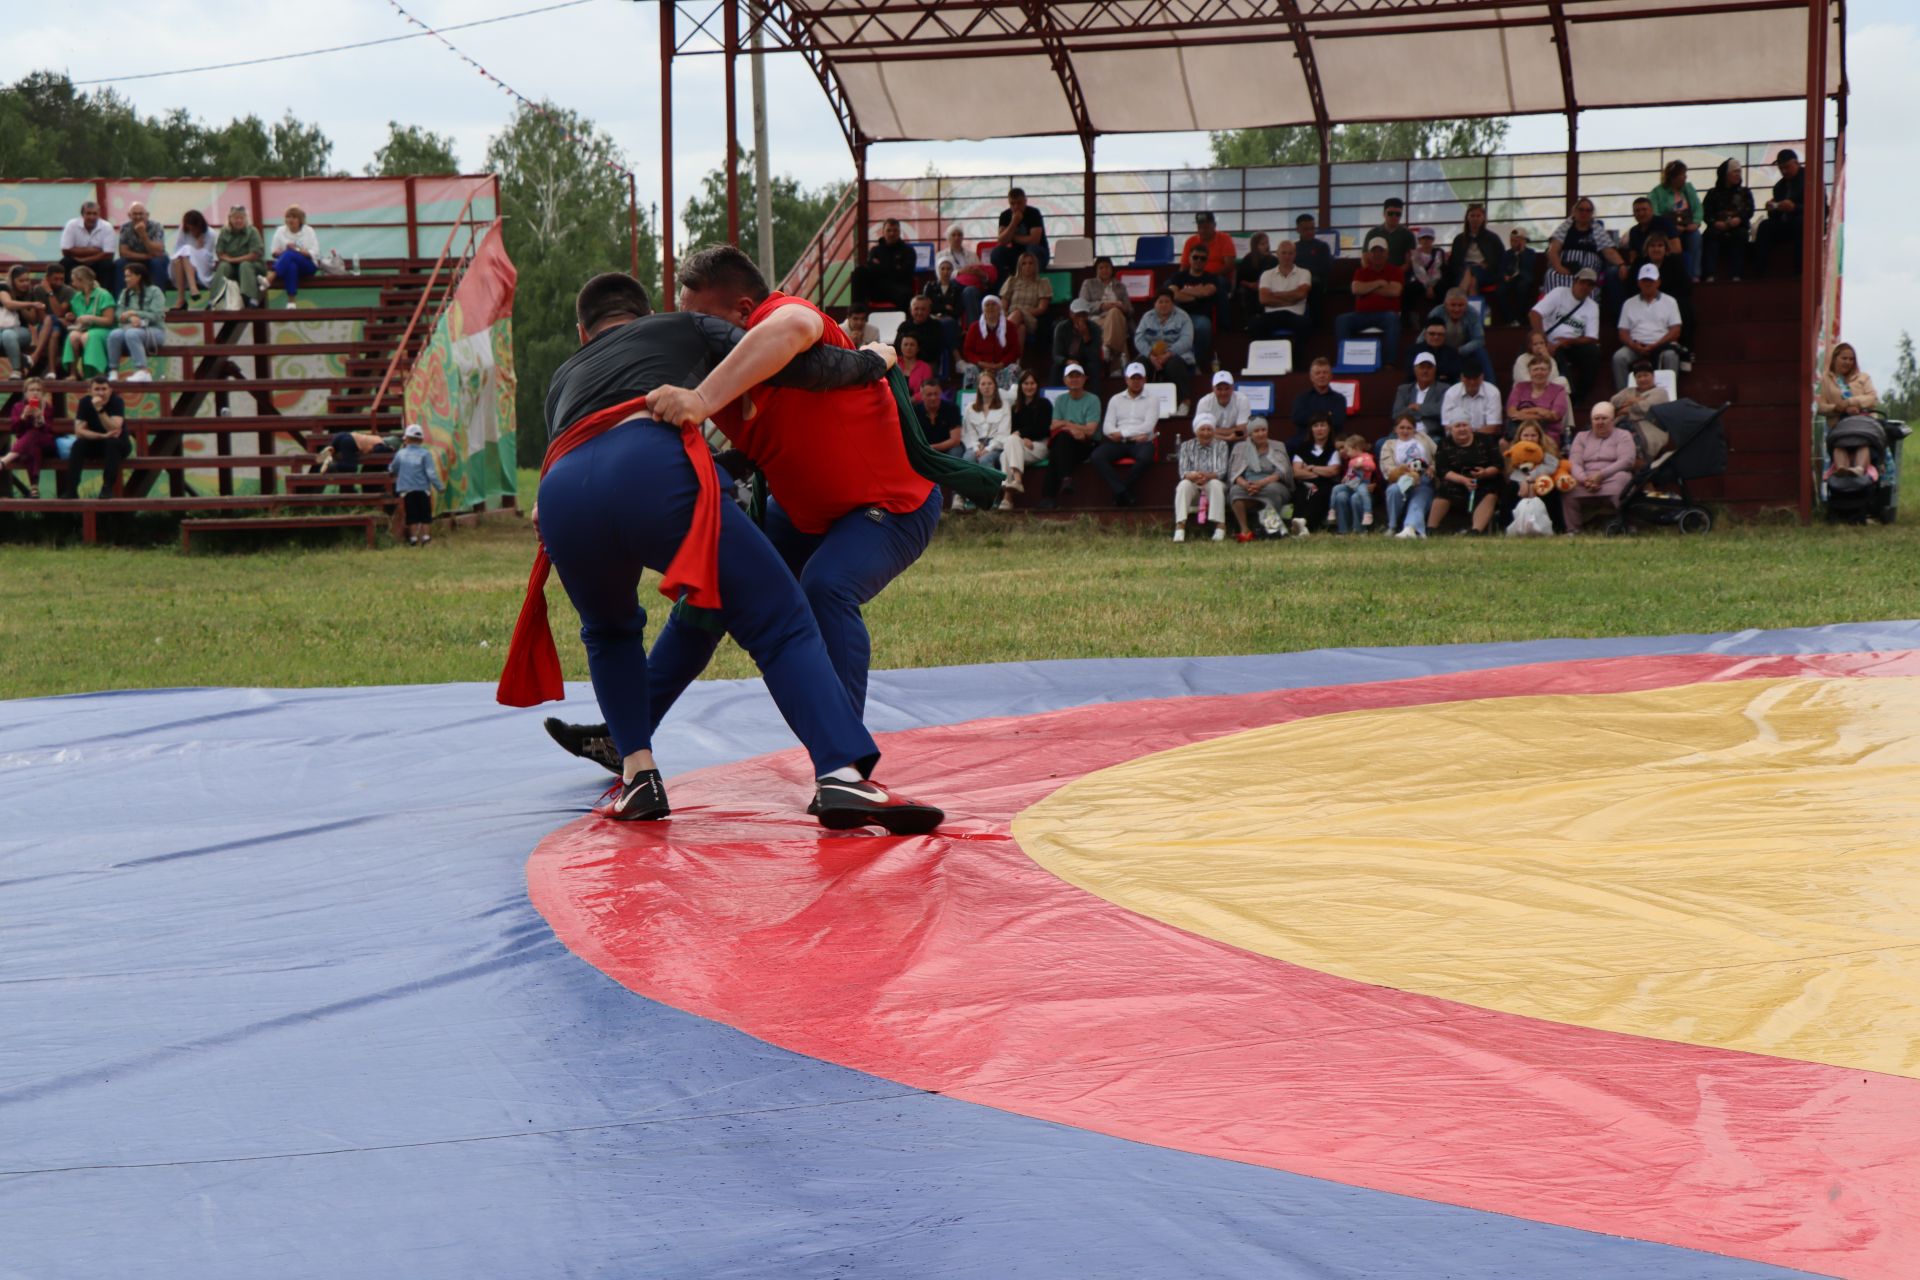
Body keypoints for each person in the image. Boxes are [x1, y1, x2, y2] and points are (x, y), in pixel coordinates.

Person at [514, 266, 943, 832]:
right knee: (781, 618)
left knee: (611, 631)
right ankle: (841, 774)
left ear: (581, 332)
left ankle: (638, 774)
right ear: (649, 317)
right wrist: (875, 359)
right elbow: (807, 366)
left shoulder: (565, 374)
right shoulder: (684, 327)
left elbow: (575, 449)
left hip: (562, 495)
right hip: (652, 470)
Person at [1530, 267, 1603, 402]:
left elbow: (1592, 337)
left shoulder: (1592, 306)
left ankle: (1579, 398)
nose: (1585, 287)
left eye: (1590, 285)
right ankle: (1564, 396)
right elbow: (1535, 314)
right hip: (1548, 339)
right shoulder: (1559, 293)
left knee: (1593, 353)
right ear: (1575, 281)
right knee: (1558, 356)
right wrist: (1544, 342)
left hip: (1571, 343)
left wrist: (1568, 341)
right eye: (1583, 282)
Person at [1563, 402, 1636, 533]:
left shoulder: (1623, 435)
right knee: (1568, 489)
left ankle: (1625, 525)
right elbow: (1574, 462)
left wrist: (1601, 475)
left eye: (1604, 418)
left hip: (1613, 476)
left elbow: (1627, 461)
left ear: (1612, 420)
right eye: (1596, 419)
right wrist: (1584, 479)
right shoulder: (1581, 437)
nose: (1600, 422)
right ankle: (1573, 530)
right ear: (1591, 421)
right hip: (1585, 479)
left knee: (1622, 481)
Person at [1092, 362, 1158, 507]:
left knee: (1146, 457)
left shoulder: (1152, 399)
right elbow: (1107, 427)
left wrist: (1122, 433)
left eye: (1139, 378)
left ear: (1144, 380)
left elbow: (1148, 426)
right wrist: (1126, 436)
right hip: (1119, 443)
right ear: (1126, 379)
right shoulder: (1116, 399)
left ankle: (1120, 491)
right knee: (1097, 456)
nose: (1135, 381)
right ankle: (1124, 492)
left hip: (1140, 442)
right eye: (1132, 378)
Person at [1041, 361, 1102, 509]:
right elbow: (1054, 425)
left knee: (1058, 449)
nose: (1074, 379)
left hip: (1086, 443)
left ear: (1084, 379)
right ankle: (1065, 479)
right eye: (1071, 376)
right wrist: (1072, 430)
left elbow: (1090, 430)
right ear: (1064, 380)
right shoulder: (1061, 400)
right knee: (1062, 441)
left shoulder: (1093, 399)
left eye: (1077, 376)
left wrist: (1067, 424)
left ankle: (1049, 496)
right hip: (1067, 441)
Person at [1613, 264, 1683, 391]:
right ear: (1639, 283)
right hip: (1635, 346)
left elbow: (1675, 331)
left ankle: (1669, 396)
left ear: (1658, 282)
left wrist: (1655, 345)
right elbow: (1622, 332)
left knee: (1671, 356)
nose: (1648, 284)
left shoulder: (1670, 301)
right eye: (1645, 280)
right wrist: (1634, 345)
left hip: (1661, 345)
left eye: (1651, 280)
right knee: (1619, 357)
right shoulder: (1629, 303)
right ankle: (1623, 396)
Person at [59, 377, 131, 499]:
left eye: (104, 389)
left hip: (119, 445)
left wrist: (100, 410)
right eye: (97, 389)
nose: (101, 393)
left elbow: (113, 429)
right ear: (90, 391)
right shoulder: (85, 402)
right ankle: (71, 490)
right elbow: (79, 431)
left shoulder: (117, 401)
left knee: (112, 443)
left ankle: (107, 488)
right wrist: (102, 436)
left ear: (110, 390)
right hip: (96, 442)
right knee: (78, 444)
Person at [1428, 418, 1503, 534]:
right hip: (1456, 480)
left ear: (1470, 427)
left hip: (1483, 479)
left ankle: (1475, 531)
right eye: (1457, 426)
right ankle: (1431, 529)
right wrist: (1463, 480)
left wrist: (1485, 472)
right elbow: (1442, 470)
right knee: (1444, 489)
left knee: (1491, 493)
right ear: (1450, 429)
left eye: (1465, 425)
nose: (1462, 429)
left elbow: (1498, 465)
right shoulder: (1444, 443)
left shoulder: (1486, 440)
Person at [1227, 417, 1293, 541]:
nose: (1261, 433)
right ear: (1250, 434)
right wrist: (1246, 485)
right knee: (1235, 491)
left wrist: (1262, 483)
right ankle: (1245, 530)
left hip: (1273, 483)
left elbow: (1283, 472)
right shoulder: (1240, 448)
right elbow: (1235, 474)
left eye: (1264, 430)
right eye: (1257, 431)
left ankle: (1271, 529)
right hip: (1249, 485)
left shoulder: (1278, 446)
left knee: (1271, 490)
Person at [1335, 238, 1403, 358]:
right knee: (1342, 320)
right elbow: (1356, 289)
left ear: (1387, 253)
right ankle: (1344, 358)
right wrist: (1379, 283)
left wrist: (1367, 288)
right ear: (1368, 254)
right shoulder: (1361, 272)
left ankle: (1389, 363)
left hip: (1386, 315)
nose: (1377, 254)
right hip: (1362, 315)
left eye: (1381, 251)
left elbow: (1394, 291)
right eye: (1374, 251)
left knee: (1393, 319)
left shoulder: (1396, 271)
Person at [992, 370, 1051, 508]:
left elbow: (1044, 428)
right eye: (1026, 383)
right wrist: (1021, 439)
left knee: (1009, 447)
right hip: (1021, 446)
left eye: (1032, 383)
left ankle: (1008, 495)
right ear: (1020, 385)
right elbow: (1012, 430)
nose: (1029, 387)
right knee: (1007, 450)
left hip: (1039, 445)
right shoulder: (1015, 407)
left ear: (1037, 385)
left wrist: (1023, 435)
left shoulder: (1044, 404)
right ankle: (1014, 486)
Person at [1543, 198, 1622, 293]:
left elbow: (1609, 252)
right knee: (1552, 275)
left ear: (1592, 213)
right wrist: (1559, 268)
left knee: (1587, 279)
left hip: (1589, 268)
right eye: (1581, 210)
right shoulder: (1565, 228)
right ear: (1574, 211)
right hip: (1565, 266)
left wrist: (1622, 265)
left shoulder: (1597, 230)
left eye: (1588, 210)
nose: (1584, 213)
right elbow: (1553, 251)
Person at [106, 262, 168, 380]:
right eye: (125, 276)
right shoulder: (125, 293)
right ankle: (113, 371)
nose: (126, 279)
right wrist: (130, 318)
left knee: (132, 334)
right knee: (114, 334)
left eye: (129, 276)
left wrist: (134, 313)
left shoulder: (155, 291)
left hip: (155, 331)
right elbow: (119, 313)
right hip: (130, 327)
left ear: (139, 276)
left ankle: (143, 371)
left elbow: (156, 315)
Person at [1171, 419, 1230, 542]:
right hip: (1194, 484)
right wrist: (1194, 476)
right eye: (1202, 429)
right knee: (1183, 485)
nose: (1206, 433)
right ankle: (1180, 527)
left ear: (1213, 431)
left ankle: (1220, 526)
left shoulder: (1222, 445)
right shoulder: (1186, 446)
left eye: (1209, 429)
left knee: (1215, 484)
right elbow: (1183, 472)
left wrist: (1207, 476)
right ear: (1196, 431)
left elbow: (1222, 471)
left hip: (1212, 483)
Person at [960, 370, 1010, 510]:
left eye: (990, 383)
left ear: (995, 386)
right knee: (967, 458)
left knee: (985, 460)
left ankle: (992, 498)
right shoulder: (971, 407)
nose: (986, 387)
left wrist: (988, 449)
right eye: (983, 384)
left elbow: (1004, 433)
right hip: (975, 445)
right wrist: (976, 448)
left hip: (996, 445)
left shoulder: (1004, 406)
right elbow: (969, 432)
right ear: (978, 387)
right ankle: (971, 497)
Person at [388, 423, 445, 545]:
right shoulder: (425, 454)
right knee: (425, 514)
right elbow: (431, 473)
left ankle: (413, 538)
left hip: (406, 490)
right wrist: (439, 486)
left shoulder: (400, 454)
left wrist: (392, 471)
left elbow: (393, 468)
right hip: (423, 489)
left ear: (406, 439)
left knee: (411, 515)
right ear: (422, 439)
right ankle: (426, 537)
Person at [1, 378, 61, 490]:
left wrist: (40, 418)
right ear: (26, 393)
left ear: (43, 393)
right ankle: (34, 486)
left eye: (38, 390)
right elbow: (15, 429)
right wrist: (23, 417)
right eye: (32, 389)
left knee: (33, 434)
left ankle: (4, 461)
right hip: (26, 447)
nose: (35, 392)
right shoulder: (18, 407)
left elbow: (48, 430)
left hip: (46, 445)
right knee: (32, 446)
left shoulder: (47, 407)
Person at [1383, 411, 1435, 539]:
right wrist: (1402, 470)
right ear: (1395, 429)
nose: (1405, 431)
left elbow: (1438, 456)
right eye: (1402, 427)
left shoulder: (1423, 438)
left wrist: (1432, 467)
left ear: (1414, 430)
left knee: (1418, 498)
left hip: (1423, 479)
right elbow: (1388, 470)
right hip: (1401, 479)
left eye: (1409, 428)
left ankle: (1410, 528)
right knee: (1393, 490)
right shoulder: (1389, 444)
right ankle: (1392, 526)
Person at [1702, 158, 1755, 282]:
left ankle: (1736, 274)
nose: (1738, 175)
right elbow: (1706, 213)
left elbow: (1749, 210)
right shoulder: (1712, 193)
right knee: (1709, 236)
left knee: (1741, 235)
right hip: (1717, 228)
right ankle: (1709, 275)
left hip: (1738, 228)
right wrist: (1715, 222)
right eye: (1735, 172)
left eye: (1739, 172)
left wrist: (1739, 219)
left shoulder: (1745, 192)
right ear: (1726, 174)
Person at [1250, 237, 1312, 342]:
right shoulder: (1267, 274)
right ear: (1277, 254)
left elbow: (1301, 294)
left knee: (1305, 325)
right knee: (1254, 324)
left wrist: (1274, 295)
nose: (1287, 256)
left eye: (1290, 253)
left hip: (1296, 315)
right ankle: (1267, 355)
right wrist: (1292, 299)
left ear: (1295, 255)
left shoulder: (1304, 273)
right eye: (1283, 253)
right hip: (1271, 315)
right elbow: (1264, 299)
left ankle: (1296, 358)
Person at [1650, 160, 1703, 282]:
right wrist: (1671, 227)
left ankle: (1695, 275)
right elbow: (1655, 213)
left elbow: (1698, 208)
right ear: (1673, 177)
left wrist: (1695, 222)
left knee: (1696, 236)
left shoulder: (1688, 189)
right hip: (1668, 231)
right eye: (1683, 175)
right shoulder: (1657, 192)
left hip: (1688, 228)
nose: (1685, 177)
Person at [1077, 256, 1132, 372]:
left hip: (1117, 317)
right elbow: (1082, 306)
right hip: (1097, 319)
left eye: (1107, 267)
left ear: (1112, 269)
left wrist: (1122, 307)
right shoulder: (1088, 284)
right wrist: (1102, 306)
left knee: (1115, 312)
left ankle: (1107, 346)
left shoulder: (1120, 286)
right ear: (1096, 270)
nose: (1104, 270)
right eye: (1101, 268)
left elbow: (1130, 310)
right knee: (1119, 328)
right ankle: (1119, 364)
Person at [1134, 290, 1196, 393]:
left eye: (1167, 302)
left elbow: (1187, 340)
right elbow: (1139, 338)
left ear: (1173, 303)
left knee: (1174, 365)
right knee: (1138, 366)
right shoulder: (1147, 317)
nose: (1164, 305)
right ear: (1155, 304)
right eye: (1160, 302)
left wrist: (1168, 354)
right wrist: (1150, 355)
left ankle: (1184, 401)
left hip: (1176, 354)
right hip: (1151, 355)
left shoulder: (1183, 317)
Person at [60, 265, 116, 379]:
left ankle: (97, 373)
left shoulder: (103, 295)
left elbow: (109, 320)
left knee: (88, 337)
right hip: (85, 329)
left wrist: (91, 318)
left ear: (81, 280)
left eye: (74, 281)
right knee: (73, 336)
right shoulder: (77, 297)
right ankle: (73, 373)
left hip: (104, 330)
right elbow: (79, 318)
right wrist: (72, 317)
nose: (72, 284)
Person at [1610, 360, 1672, 462]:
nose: (1642, 379)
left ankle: (1636, 467)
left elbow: (1645, 407)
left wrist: (1625, 409)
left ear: (1653, 376)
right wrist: (1633, 401)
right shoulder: (1629, 391)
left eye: (1646, 375)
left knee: (1632, 442)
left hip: (1649, 426)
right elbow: (1613, 401)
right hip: (1621, 424)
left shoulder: (1661, 392)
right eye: (1639, 376)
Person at [1756, 149, 1805, 276]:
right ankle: (1760, 270)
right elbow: (1775, 216)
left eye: (1787, 167)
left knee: (1801, 223)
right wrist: (1773, 208)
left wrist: (1795, 208)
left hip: (1803, 224)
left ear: (1796, 163)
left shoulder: (1810, 180)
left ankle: (1800, 270)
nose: (1784, 171)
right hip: (1786, 224)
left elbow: (1820, 208)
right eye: (1781, 168)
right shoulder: (1779, 186)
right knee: (1765, 226)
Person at [851, 217, 918, 311]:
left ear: (899, 232)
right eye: (889, 230)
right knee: (859, 272)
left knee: (905, 294)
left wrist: (881, 266)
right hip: (878, 289)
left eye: (895, 230)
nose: (892, 233)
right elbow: (871, 269)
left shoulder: (908, 251)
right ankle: (856, 313)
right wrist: (894, 267)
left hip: (899, 289)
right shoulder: (875, 250)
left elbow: (905, 273)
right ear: (883, 232)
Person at [1428, 287, 1495, 380]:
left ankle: (1492, 386)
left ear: (1466, 305)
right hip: (1441, 350)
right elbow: (1425, 336)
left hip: (1464, 351)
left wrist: (1461, 350)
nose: (1456, 309)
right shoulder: (1436, 313)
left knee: (1481, 352)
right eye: (1453, 305)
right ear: (1446, 304)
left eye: (1460, 305)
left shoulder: (1472, 313)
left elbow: (1479, 339)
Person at [1289, 414, 1341, 532]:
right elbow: (1296, 472)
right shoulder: (1302, 448)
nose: (1319, 429)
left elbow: (1333, 471)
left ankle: (1306, 525)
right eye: (1316, 426)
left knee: (1318, 494)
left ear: (1329, 428)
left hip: (1326, 485)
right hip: (1306, 484)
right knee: (1304, 494)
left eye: (1323, 425)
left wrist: (1310, 467)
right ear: (1311, 429)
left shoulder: (1333, 448)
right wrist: (1321, 471)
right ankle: (1297, 524)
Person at [1167, 244, 1218, 366]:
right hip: (1178, 316)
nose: (1198, 260)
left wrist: (1184, 290)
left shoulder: (1211, 278)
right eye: (1195, 257)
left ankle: (1196, 363)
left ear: (1206, 261)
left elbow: (1207, 291)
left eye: (1203, 258)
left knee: (1204, 326)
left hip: (1200, 317)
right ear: (1189, 258)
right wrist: (1197, 292)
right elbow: (1173, 295)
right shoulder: (1178, 276)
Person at [959, 295, 1022, 390]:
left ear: (999, 308)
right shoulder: (974, 327)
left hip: (1002, 368)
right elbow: (968, 351)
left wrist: (1000, 364)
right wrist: (982, 364)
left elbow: (1015, 350)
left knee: (1014, 369)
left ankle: (1011, 401)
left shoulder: (1010, 327)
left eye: (993, 304)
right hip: (981, 368)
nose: (990, 307)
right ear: (983, 309)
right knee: (970, 369)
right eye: (987, 305)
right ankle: (970, 400)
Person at [1507, 355, 1570, 448]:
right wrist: (1541, 412)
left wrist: (1527, 413)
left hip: (1547, 432)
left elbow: (1554, 415)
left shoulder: (1559, 390)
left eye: (1543, 369)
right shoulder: (1520, 387)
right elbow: (1511, 412)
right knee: (1503, 443)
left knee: (1548, 442)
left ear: (1549, 372)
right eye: (1535, 369)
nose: (1539, 372)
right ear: (1529, 372)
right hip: (1520, 431)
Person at [263, 205, 321, 308]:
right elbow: (274, 253)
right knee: (291, 265)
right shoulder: (280, 230)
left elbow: (315, 252)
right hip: (285, 265)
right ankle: (291, 302)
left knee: (290, 253)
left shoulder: (309, 231)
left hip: (307, 265)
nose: (290, 220)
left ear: (300, 220)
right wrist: (285, 251)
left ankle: (270, 277)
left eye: (294, 217)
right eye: (288, 217)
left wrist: (297, 250)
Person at [210, 205, 265, 308]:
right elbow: (220, 253)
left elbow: (254, 254)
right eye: (235, 218)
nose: (238, 220)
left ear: (246, 219)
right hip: (232, 266)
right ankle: (215, 298)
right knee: (223, 266)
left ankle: (249, 297)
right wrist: (229, 260)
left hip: (253, 266)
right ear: (230, 219)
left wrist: (233, 260)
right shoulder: (224, 232)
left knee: (245, 265)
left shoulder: (252, 231)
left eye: (241, 218)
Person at [1446, 204, 1504, 299]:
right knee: (1472, 281)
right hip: (1463, 271)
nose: (1475, 219)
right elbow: (1454, 262)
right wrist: (1465, 266)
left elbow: (1500, 259)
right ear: (1467, 218)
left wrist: (1487, 264)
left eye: (1478, 216)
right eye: (1472, 216)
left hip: (1486, 272)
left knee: (1472, 271)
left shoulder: (1492, 238)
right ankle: (1473, 310)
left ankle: (1457, 301)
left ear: (1483, 218)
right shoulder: (1459, 239)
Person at [999, 251, 1052, 352]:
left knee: (1018, 314)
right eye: (1024, 263)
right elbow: (1003, 306)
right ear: (1019, 266)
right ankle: (1015, 364)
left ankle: (1000, 339)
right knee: (1021, 329)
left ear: (1035, 265)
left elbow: (1042, 309)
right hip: (1010, 317)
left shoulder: (1042, 282)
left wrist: (1020, 312)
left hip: (1030, 318)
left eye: (1030, 263)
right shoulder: (1012, 281)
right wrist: (1009, 314)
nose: (1027, 266)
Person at [991, 187, 1048, 280]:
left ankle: (1032, 283)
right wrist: (1014, 223)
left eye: (1019, 203)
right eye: (1012, 204)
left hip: (1038, 252)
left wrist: (1011, 236)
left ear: (1025, 201)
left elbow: (1034, 240)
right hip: (1017, 253)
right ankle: (1004, 284)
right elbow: (1001, 241)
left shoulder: (1034, 213)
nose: (1016, 207)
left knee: (1032, 249)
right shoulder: (1005, 215)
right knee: (997, 252)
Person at [59, 201, 118, 289]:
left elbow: (109, 254)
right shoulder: (71, 225)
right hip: (76, 260)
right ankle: (69, 295)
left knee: (107, 265)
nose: (91, 217)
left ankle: (104, 295)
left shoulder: (107, 227)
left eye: (94, 214)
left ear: (99, 214)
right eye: (88, 213)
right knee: (65, 262)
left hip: (98, 261)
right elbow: (66, 250)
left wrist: (85, 258)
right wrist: (95, 250)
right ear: (82, 215)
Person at [116, 202, 169, 297]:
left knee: (157, 263)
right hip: (137, 258)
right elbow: (123, 252)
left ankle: (158, 299)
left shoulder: (156, 226)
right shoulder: (125, 227)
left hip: (155, 258)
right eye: (135, 214)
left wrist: (143, 235)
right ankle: (121, 299)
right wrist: (145, 256)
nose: (138, 217)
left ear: (147, 215)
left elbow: (158, 251)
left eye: (141, 214)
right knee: (119, 263)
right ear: (129, 215)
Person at [1818, 342, 1879, 420]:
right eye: (1844, 358)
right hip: (1839, 427)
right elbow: (1819, 407)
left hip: (1866, 424)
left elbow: (1873, 398)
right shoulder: (1825, 379)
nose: (1848, 362)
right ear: (1834, 359)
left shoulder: (1864, 377)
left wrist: (1849, 402)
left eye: (1851, 359)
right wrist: (1837, 408)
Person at [1050, 298, 1103, 388]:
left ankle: (1095, 397)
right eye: (1078, 315)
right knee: (1056, 368)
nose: (1081, 318)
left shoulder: (1095, 329)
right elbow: (1056, 354)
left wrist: (1086, 337)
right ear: (1071, 314)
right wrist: (1067, 361)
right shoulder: (1061, 328)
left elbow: (1094, 356)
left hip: (1085, 362)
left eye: (1084, 315)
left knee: (1094, 367)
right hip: (1067, 361)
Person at [1290, 355, 1348, 436]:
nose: (1322, 376)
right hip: (1305, 441)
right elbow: (1298, 419)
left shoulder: (1339, 399)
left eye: (1325, 372)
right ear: (1311, 377)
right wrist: (1327, 414)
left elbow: (1338, 421)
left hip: (1331, 441)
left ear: (1331, 376)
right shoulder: (1301, 398)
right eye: (1318, 373)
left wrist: (1311, 415)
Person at [1331, 433, 1378, 534]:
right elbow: (1347, 477)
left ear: (1355, 448)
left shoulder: (1366, 458)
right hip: (1351, 487)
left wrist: (1375, 484)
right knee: (1340, 496)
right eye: (1338, 449)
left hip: (1365, 489)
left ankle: (1359, 529)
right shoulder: (1346, 462)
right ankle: (1343, 530)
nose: (1342, 451)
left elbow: (1377, 474)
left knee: (1356, 498)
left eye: (1343, 447)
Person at [1391, 351, 1446, 435]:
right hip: (1404, 432)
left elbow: (1442, 410)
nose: (1425, 371)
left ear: (1435, 370)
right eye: (1422, 367)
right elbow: (1396, 414)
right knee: (1380, 443)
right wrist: (1418, 410)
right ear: (1415, 370)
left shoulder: (1443, 389)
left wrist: (1418, 408)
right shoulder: (1404, 389)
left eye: (1429, 368)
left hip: (1430, 434)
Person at [169, 210, 218, 305]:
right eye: (190, 229)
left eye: (194, 229)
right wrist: (195, 247)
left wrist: (196, 250)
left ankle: (186, 293)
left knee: (186, 250)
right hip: (182, 264)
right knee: (181, 255)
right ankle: (187, 293)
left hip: (202, 265)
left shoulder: (210, 234)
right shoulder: (183, 231)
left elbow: (207, 255)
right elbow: (178, 249)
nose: (192, 232)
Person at [894, 294, 947, 379]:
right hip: (905, 362)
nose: (919, 312)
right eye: (916, 309)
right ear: (911, 310)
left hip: (928, 362)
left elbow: (937, 350)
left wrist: (916, 362)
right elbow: (897, 347)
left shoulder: (936, 326)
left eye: (923, 309)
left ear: (929, 310)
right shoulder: (904, 326)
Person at [1231, 231, 1278, 328]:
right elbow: (1240, 279)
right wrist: (1250, 285)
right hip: (1251, 288)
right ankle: (1249, 323)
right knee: (1244, 293)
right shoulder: (1248, 259)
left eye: (1267, 243)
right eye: (1262, 244)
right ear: (1255, 246)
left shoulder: (1273, 260)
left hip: (1268, 288)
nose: (1266, 246)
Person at [1440, 366, 1503, 437]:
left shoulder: (1493, 392)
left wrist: (1467, 434)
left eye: (1475, 378)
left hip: (1485, 438)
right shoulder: (1451, 393)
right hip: (1457, 439)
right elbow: (1448, 427)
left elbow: (1493, 427)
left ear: (1482, 377)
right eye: (1468, 378)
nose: (1472, 382)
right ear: (1462, 378)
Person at [1497, 228, 1541, 326]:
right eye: (1512, 241)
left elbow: (1528, 267)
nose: (1513, 243)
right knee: (1501, 290)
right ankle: (1510, 319)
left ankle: (1521, 318)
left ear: (1524, 241)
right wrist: (1504, 275)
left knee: (1522, 287)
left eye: (1516, 241)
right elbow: (1501, 268)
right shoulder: (1507, 254)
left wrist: (1522, 251)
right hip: (1510, 278)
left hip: (1525, 278)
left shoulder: (1530, 253)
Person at [1510, 328, 1571, 399]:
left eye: (1542, 343)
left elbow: (1554, 378)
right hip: (1527, 393)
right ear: (1529, 345)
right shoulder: (1522, 359)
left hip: (1547, 390)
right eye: (1535, 344)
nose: (1539, 346)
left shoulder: (1549, 359)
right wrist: (1542, 387)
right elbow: (1524, 381)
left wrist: (1547, 359)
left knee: (1562, 381)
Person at [1193, 370, 1251, 444]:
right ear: (1213, 388)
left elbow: (1243, 431)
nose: (1223, 393)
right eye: (1219, 389)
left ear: (1233, 387)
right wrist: (1228, 438)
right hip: (1211, 442)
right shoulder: (1204, 402)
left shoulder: (1242, 399)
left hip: (1237, 441)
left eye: (1227, 388)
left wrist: (1213, 430)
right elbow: (1200, 432)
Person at [0, 266, 38, 374]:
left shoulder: (30, 293)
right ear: (13, 281)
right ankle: (22, 360)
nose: (25, 283)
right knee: (5, 336)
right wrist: (30, 304)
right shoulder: (3, 287)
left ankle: (16, 370)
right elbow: (8, 304)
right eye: (21, 281)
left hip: (21, 331)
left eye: (27, 280)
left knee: (8, 334)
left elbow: (33, 320)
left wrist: (21, 305)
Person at [1405, 227, 1445, 326]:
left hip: (1434, 280)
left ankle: (1441, 316)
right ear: (1419, 240)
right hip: (1420, 280)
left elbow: (1437, 268)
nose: (1426, 241)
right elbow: (1419, 270)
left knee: (1442, 288)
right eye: (1423, 238)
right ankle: (1408, 318)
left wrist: (1432, 285)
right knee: (1408, 290)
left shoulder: (1438, 253)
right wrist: (1427, 286)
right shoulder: (1415, 253)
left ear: (1433, 240)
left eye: (1429, 238)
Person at [913, 377, 963, 457]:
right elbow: (912, 439)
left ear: (941, 393)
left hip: (947, 449)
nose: (933, 398)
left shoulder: (952, 408)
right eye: (929, 395)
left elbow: (955, 440)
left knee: (956, 450)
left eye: (936, 394)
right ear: (922, 396)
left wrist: (932, 448)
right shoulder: (914, 411)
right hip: (923, 450)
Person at [1366, 197, 1415, 266]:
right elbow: (1365, 258)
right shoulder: (1373, 233)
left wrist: (1395, 275)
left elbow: (1409, 262)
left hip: (1400, 274)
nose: (1394, 217)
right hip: (1375, 274)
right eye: (1390, 213)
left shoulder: (1408, 234)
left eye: (1398, 214)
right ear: (1384, 213)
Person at [1292, 212, 1334, 278]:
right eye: (1306, 229)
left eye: (1312, 228)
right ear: (1297, 230)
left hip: (1316, 283)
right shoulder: (1293, 248)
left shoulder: (1322, 246)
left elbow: (1326, 270)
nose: (1310, 232)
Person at [894, 331, 934, 397]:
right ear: (900, 347)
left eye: (912, 345)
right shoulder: (894, 363)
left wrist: (913, 400)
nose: (908, 347)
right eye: (905, 344)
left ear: (918, 348)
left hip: (917, 403)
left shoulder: (925, 367)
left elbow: (927, 390)